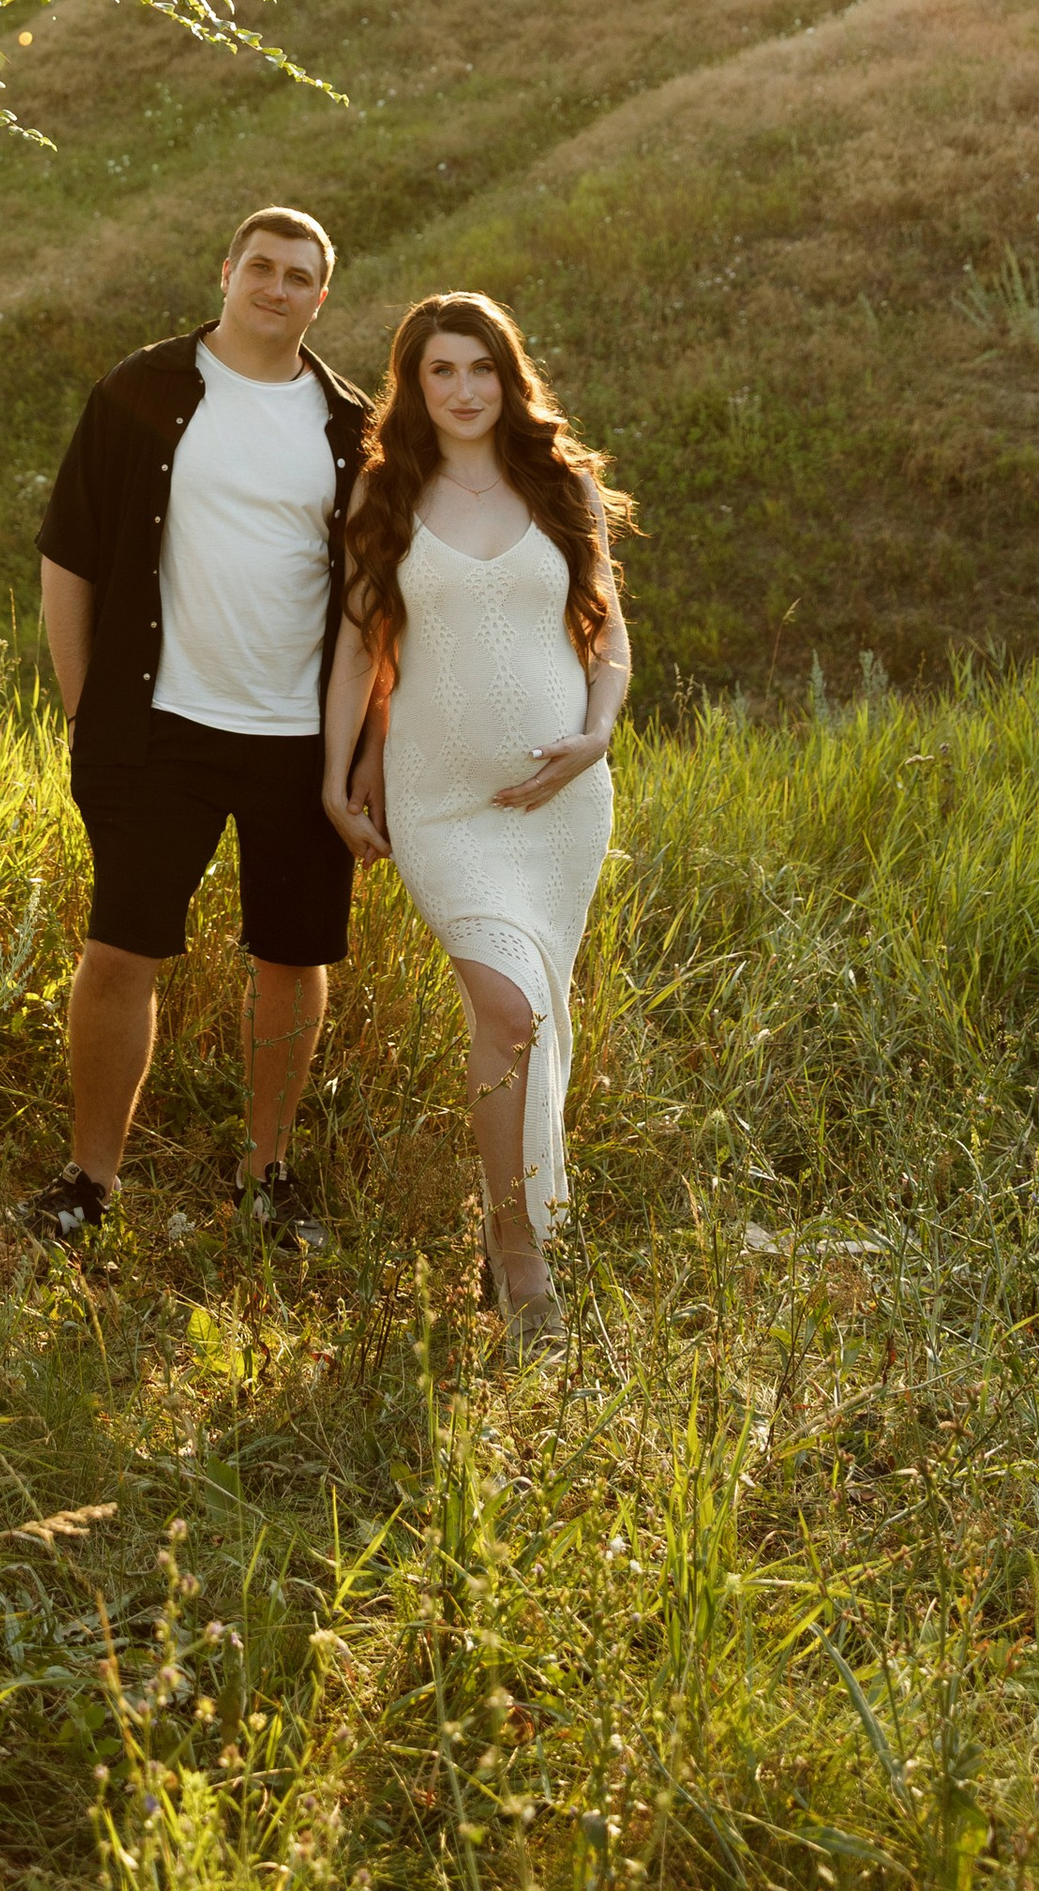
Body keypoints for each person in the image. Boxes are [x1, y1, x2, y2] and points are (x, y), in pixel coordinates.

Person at [18, 207, 371, 1259]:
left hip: (298, 740)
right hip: (158, 729)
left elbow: (371, 604)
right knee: (120, 951)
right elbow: (68, 556)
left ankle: (265, 1176)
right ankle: (89, 1180)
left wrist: (363, 753)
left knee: (291, 957)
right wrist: (88, 710)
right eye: (259, 266)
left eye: (298, 275)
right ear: (224, 273)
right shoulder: (144, 391)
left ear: (320, 297)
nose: (275, 286)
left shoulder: (351, 428)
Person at [322, 293, 632, 1348]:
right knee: (506, 1011)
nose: (461, 391)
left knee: (532, 1011)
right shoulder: (386, 491)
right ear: (412, 386)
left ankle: (521, 1223)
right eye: (439, 372)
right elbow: (363, 653)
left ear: (509, 378)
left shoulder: (562, 485)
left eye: (480, 370)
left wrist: (596, 735)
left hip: (560, 807)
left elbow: (609, 639)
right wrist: (337, 778)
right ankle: (514, 1251)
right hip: (443, 803)